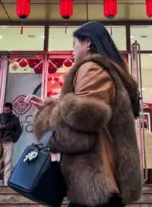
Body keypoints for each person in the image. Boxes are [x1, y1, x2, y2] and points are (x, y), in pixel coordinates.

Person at [26, 21, 142, 207]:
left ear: (87, 42)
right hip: (104, 181)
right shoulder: (106, 70)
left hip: (95, 184)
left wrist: (47, 119)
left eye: (74, 44)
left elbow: (84, 119)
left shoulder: (91, 68)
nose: (72, 50)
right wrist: (54, 106)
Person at [0, 102, 21, 185]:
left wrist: (13, 139)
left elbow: (18, 130)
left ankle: (6, 182)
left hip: (8, 141)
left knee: (8, 161)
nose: (6, 111)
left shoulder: (14, 118)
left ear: (11, 109)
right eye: (4, 110)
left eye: (7, 110)